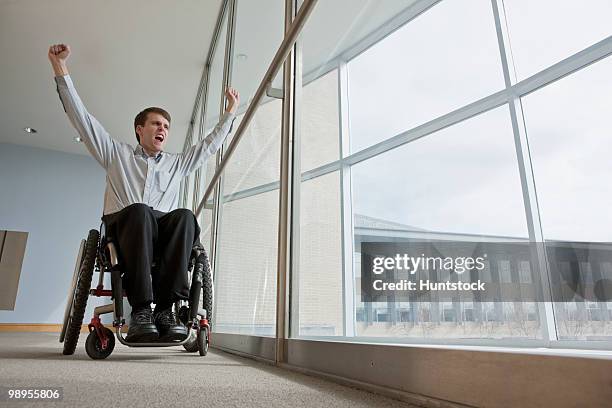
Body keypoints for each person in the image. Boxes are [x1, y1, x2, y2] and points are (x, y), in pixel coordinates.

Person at [48, 44, 239, 342]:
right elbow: (82, 119)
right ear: (139, 129)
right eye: (156, 123)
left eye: (166, 126)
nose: (162, 129)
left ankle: (165, 309)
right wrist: (60, 67)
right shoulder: (116, 154)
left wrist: (230, 113)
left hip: (163, 235)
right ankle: (141, 310)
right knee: (139, 210)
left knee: (186, 216)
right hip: (126, 227)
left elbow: (209, 146)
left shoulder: (177, 164)